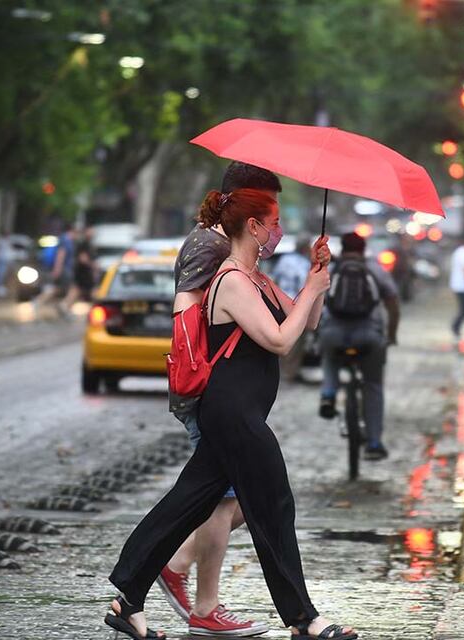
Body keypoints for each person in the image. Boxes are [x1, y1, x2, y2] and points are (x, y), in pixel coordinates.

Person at [106, 188, 356, 640]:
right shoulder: (231, 281)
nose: (279, 231)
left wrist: (318, 278)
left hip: (239, 413)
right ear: (255, 227)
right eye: (274, 222)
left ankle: (127, 597)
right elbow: (281, 340)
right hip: (233, 413)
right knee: (274, 506)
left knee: (186, 505)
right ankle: (304, 620)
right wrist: (312, 290)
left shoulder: (258, 278)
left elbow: (308, 320)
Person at [160, 162, 284, 638]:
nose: (273, 224)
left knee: (240, 497)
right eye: (267, 212)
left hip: (221, 390)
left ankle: (176, 562)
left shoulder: (214, 242)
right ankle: (203, 603)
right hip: (209, 388)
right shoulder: (211, 245)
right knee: (225, 498)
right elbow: (189, 313)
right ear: (245, 205)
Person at [317, 232, 400, 461]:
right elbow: (393, 303)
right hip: (369, 337)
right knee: (373, 384)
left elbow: (315, 299)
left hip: (334, 334)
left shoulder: (331, 270)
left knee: (329, 356)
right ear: (364, 250)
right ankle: (374, 443)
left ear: (342, 250)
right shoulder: (375, 270)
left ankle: (328, 393)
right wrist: (391, 335)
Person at [271, 235, 314, 381]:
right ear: (305, 248)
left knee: (281, 338)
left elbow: (274, 279)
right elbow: (304, 287)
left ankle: (281, 371)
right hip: (295, 306)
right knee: (296, 342)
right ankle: (290, 372)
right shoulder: (304, 263)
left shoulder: (284, 260)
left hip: (279, 304)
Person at [32, 221, 75, 317]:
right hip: (64, 270)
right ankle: (63, 306)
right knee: (74, 288)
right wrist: (57, 269)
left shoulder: (62, 239)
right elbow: (61, 255)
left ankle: (39, 301)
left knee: (57, 288)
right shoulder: (66, 240)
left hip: (63, 269)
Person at [449, 239, 464, 339]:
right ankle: (455, 326)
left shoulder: (459, 251)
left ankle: (456, 327)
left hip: (457, 284)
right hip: (462, 285)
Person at [0, 231, 14, 298]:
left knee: (6, 274)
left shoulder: (8, 241)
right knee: (0, 274)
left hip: (8, 260)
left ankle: (4, 287)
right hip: (1, 260)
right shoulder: (0, 241)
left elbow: (10, 251)